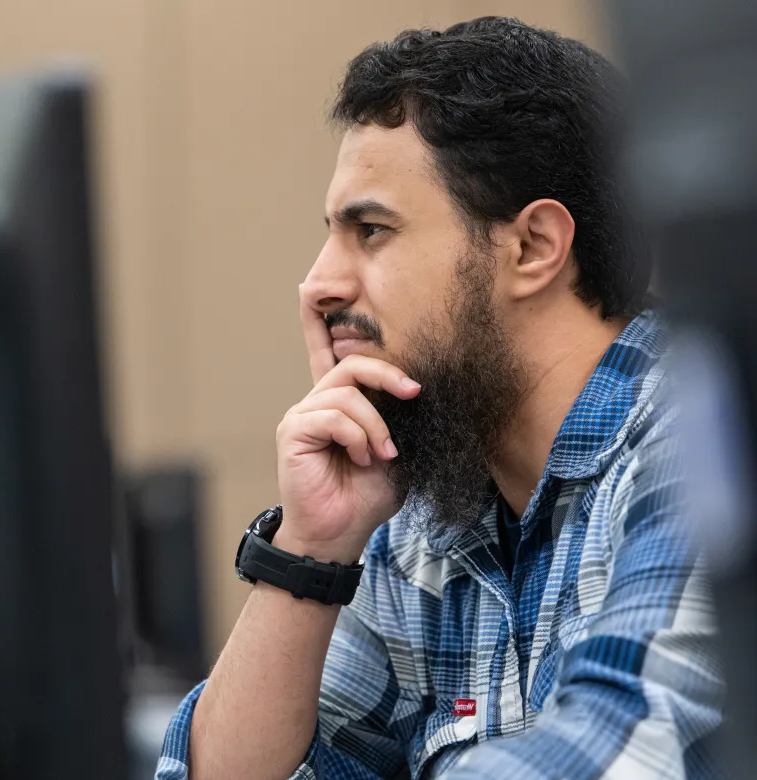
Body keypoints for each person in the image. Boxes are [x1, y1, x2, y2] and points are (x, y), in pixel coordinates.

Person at [157, 17, 723, 780]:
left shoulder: (702, 446)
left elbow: (624, 750)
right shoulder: (419, 528)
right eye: (331, 233)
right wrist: (313, 550)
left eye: (372, 231)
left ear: (532, 248)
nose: (319, 283)